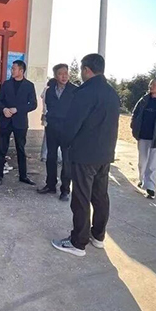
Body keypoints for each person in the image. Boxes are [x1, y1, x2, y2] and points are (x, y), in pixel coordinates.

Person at [51, 53, 120, 257]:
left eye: (82, 69)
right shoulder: (111, 93)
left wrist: (65, 142)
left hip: (84, 154)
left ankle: (78, 242)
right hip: (105, 154)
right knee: (100, 196)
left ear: (87, 70)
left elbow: (72, 124)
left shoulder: (85, 93)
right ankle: (98, 236)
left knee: (81, 198)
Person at [0, 60, 38, 186]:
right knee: (1, 149)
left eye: (14, 68)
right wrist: (4, 109)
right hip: (5, 121)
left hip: (20, 122)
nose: (12, 71)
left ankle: (23, 176)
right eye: (12, 68)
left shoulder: (29, 85)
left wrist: (18, 109)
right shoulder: (6, 84)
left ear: (21, 71)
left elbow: (33, 104)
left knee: (21, 149)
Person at [38, 64, 77, 200]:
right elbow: (46, 107)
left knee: (67, 160)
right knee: (51, 157)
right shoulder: (49, 90)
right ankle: (50, 185)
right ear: (55, 76)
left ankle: (65, 190)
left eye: (66, 73)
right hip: (52, 128)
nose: (64, 76)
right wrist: (46, 120)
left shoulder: (74, 90)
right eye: (60, 74)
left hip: (67, 129)